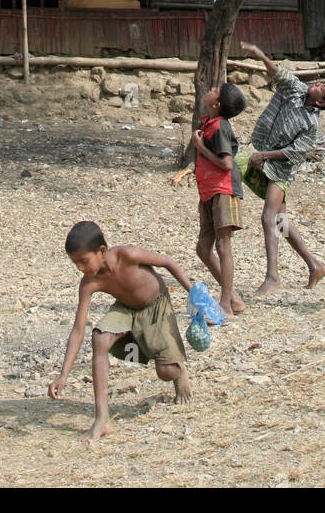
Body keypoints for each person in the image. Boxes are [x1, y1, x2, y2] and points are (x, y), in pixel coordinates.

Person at [49, 221, 193, 443]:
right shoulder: (89, 283)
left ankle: (179, 370)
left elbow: (167, 263)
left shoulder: (128, 255)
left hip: (156, 306)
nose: (80, 268)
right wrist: (64, 374)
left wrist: (194, 294)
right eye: (75, 263)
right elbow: (78, 329)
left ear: (102, 251)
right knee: (99, 337)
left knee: (166, 372)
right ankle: (102, 419)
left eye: (83, 261)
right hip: (125, 308)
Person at [239, 41, 325, 296]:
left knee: (268, 218)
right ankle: (314, 264)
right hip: (263, 154)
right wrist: (259, 53)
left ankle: (273, 276)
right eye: (320, 82)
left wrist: (263, 156)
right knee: (280, 221)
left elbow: (295, 152)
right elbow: (278, 72)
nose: (317, 84)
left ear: (321, 103)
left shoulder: (311, 124)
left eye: (322, 88)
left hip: (281, 171)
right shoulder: (295, 89)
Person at [193, 81, 247, 318]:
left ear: (216, 104)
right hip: (208, 190)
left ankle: (225, 304)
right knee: (203, 249)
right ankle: (233, 297)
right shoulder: (208, 124)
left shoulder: (220, 127)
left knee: (223, 246)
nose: (210, 88)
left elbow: (226, 163)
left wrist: (200, 148)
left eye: (214, 90)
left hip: (224, 190)